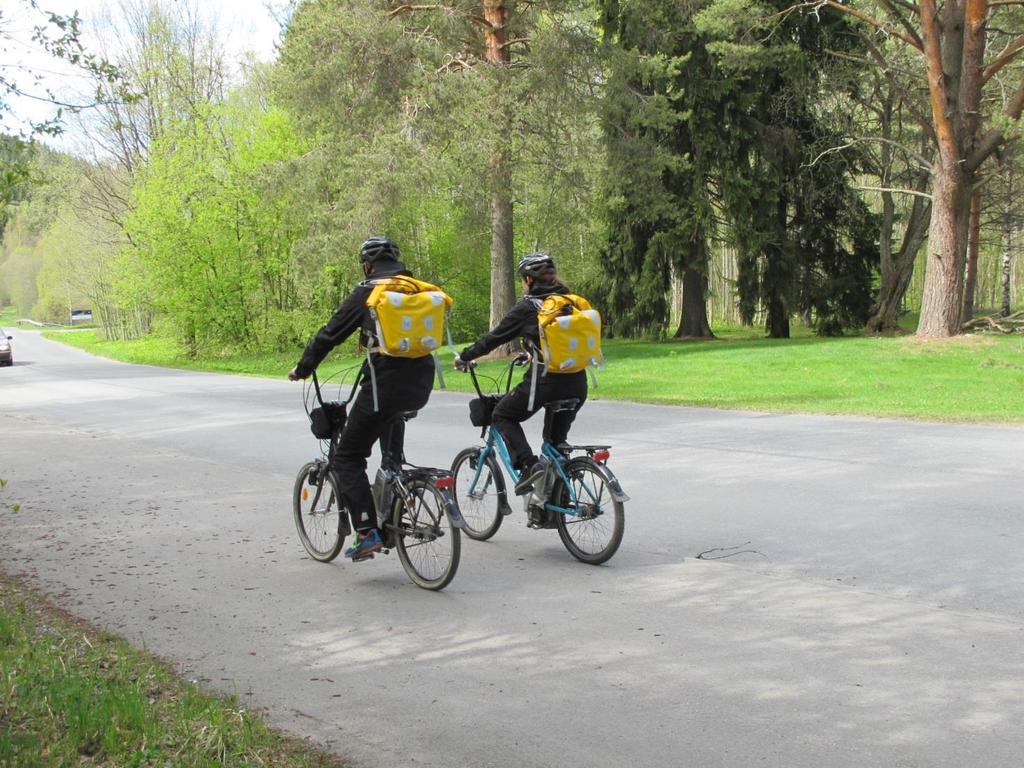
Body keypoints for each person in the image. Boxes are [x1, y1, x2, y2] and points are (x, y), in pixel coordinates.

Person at [289, 237, 436, 559]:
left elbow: (330, 334)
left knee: (347, 457)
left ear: (367, 264)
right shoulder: (416, 289)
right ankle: (397, 493)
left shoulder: (368, 291)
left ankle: (368, 531)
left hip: (384, 384)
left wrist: (303, 368)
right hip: (422, 381)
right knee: (390, 445)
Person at [453, 252, 588, 504]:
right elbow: (562, 342)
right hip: (578, 382)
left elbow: (495, 338)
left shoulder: (529, 306)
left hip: (547, 383)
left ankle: (530, 467)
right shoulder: (570, 302)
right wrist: (531, 352)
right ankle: (555, 502)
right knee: (555, 443)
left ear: (528, 279)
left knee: (502, 414)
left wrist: (465, 356)